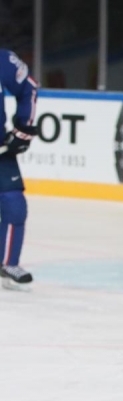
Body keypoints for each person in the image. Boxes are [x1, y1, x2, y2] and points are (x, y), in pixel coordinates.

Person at [0, 48, 38, 291]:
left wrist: (23, 128)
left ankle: (8, 263)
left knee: (15, 204)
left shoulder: (3, 60)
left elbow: (29, 88)